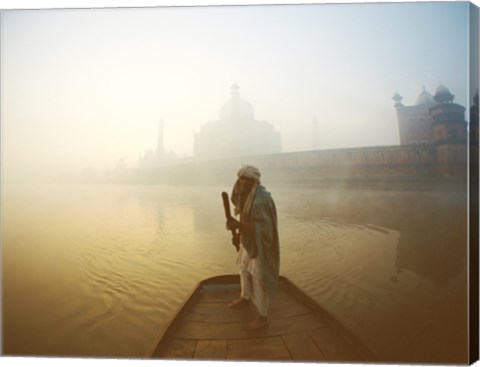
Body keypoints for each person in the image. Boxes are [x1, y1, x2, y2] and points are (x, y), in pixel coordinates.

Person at [226, 165, 280, 331]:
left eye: (245, 179)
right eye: (240, 179)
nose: (241, 182)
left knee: (258, 277)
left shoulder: (260, 198)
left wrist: (238, 225)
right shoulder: (246, 194)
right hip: (247, 240)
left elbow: (262, 228)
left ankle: (263, 317)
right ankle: (245, 297)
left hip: (260, 242)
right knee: (243, 268)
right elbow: (239, 205)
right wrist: (238, 228)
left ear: (253, 181)